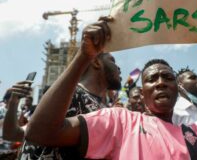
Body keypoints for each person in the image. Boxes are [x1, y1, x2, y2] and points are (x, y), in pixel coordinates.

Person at [25, 18, 197, 159]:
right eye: (151, 80)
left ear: (178, 89)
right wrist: (82, 56)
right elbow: (41, 132)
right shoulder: (118, 122)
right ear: (141, 94)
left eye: (167, 77)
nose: (161, 82)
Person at [20, 18, 122, 159]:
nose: (119, 68)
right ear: (96, 62)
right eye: (113, 61)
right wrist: (83, 55)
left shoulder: (104, 108)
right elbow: (36, 133)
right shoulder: (68, 94)